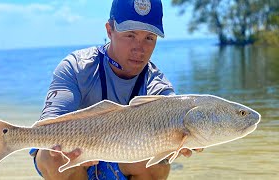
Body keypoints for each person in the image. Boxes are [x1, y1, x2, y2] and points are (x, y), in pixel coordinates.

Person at [30, 0, 202, 179]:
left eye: (149, 38)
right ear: (109, 30)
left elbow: (177, 114)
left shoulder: (156, 84)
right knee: (51, 157)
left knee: (156, 165)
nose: (139, 48)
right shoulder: (76, 67)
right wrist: (62, 148)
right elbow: (49, 122)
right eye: (130, 35)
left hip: (123, 160)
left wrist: (183, 140)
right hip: (76, 158)